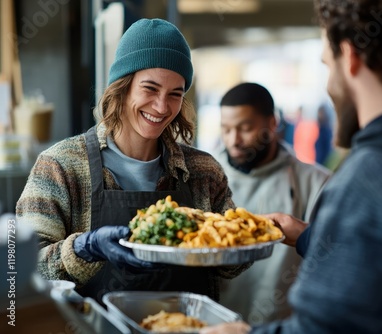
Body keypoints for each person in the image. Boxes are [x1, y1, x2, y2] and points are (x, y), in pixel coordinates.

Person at [201, 0, 382, 333]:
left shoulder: (369, 180)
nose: (329, 84)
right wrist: (308, 236)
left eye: (328, 65)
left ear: (351, 57)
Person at [16, 18, 246, 303]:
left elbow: (232, 265)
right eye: (150, 89)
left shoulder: (204, 172)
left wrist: (251, 236)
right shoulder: (60, 166)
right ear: (122, 87)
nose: (162, 107)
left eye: (175, 94)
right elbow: (22, 272)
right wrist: (86, 248)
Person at [214, 82, 331, 324]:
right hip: (213, 325)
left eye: (245, 128)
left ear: (273, 124)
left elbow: (335, 262)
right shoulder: (205, 178)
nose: (234, 140)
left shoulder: (316, 184)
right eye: (226, 130)